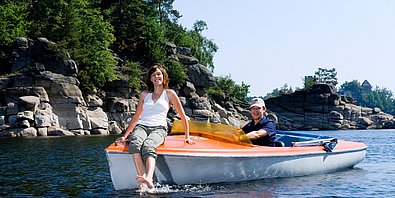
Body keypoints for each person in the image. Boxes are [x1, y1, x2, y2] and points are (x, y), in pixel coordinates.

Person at [119, 64, 194, 190]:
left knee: (148, 145)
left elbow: (182, 115)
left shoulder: (170, 94)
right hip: (142, 126)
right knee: (135, 144)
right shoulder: (144, 94)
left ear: (164, 77)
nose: (156, 77)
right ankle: (142, 182)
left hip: (159, 128)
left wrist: (187, 136)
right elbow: (137, 116)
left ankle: (149, 178)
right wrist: (125, 136)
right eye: (153, 75)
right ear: (150, 78)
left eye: (158, 74)